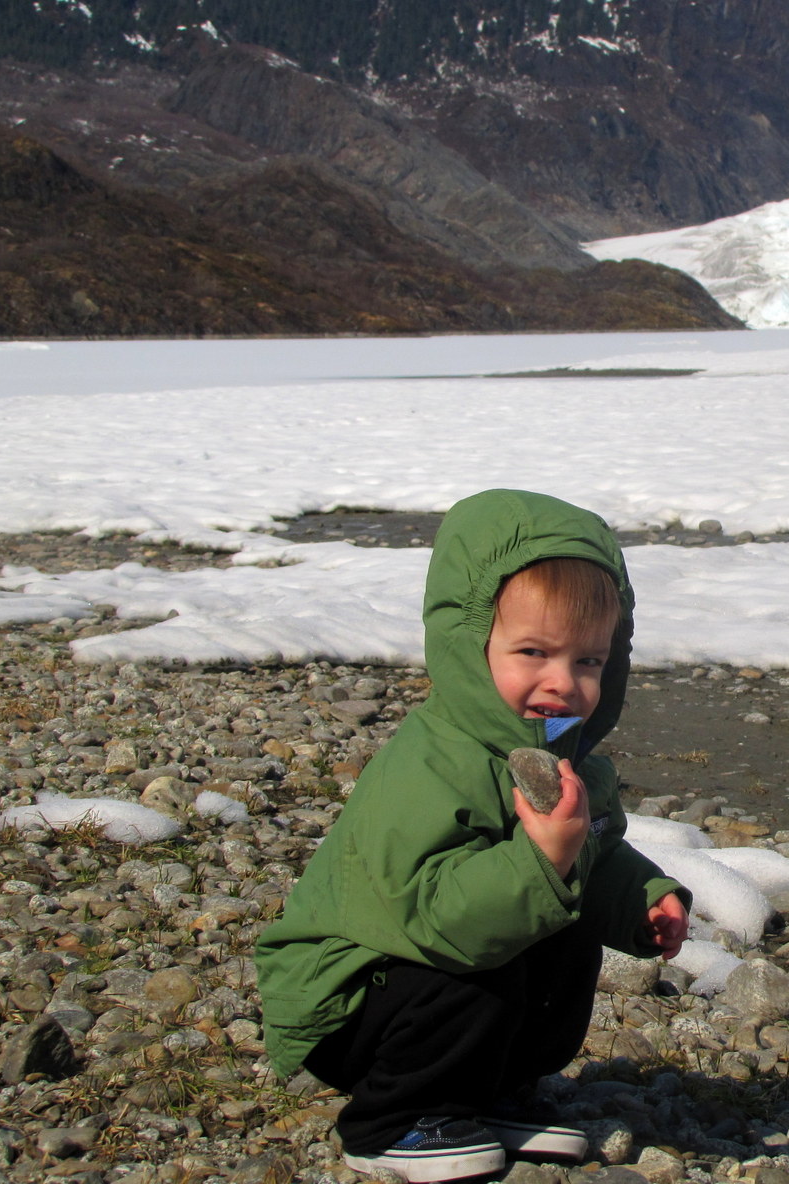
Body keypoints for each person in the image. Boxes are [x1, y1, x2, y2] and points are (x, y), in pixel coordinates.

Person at [256, 490, 690, 1183]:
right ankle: (389, 1120)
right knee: (482, 950)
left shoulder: (566, 757)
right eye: (533, 652)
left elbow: (595, 854)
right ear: (471, 641)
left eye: (588, 662)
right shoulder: (432, 765)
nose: (563, 683)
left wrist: (646, 898)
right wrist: (542, 858)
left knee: (562, 927)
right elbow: (431, 918)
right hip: (353, 998)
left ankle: (485, 1093)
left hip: (435, 973)